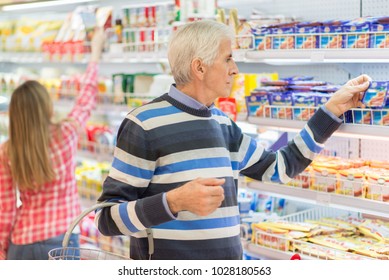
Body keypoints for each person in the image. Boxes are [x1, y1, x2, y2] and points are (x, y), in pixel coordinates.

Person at [95, 20, 370, 260]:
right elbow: (107, 219)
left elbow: (280, 167)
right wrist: (174, 201)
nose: (235, 69)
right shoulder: (144, 123)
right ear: (199, 68)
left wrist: (331, 110)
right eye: (228, 58)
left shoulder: (222, 123)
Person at [0, 28, 105, 260]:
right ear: (47, 107)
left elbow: (5, 209)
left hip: (23, 243)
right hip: (62, 240)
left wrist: (2, 252)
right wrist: (94, 54)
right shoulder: (65, 133)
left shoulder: (7, 150)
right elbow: (86, 98)